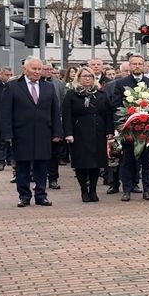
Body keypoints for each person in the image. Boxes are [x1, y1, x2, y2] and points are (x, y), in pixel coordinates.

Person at [0, 57, 63, 207]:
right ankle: (24, 196)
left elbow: (55, 111)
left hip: (43, 133)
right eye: (34, 69)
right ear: (25, 70)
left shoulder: (48, 87)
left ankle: (41, 195)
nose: (37, 72)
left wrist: (57, 132)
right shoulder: (13, 86)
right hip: (21, 133)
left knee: (42, 165)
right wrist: (7, 134)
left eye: (39, 69)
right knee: (22, 166)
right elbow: (5, 112)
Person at [108, 55, 149, 201]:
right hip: (129, 128)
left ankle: (147, 190)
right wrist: (124, 122)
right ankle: (126, 190)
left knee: (147, 161)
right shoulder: (121, 83)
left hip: (147, 129)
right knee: (127, 160)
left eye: (140, 63)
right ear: (129, 66)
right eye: (134, 64)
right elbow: (116, 105)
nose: (137, 66)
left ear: (144, 65)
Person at [63, 67, 114, 202]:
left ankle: (93, 189)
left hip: (98, 132)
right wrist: (68, 133)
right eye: (84, 76)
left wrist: (109, 132)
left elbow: (108, 114)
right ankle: (84, 190)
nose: (87, 79)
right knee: (81, 162)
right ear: (78, 78)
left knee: (96, 162)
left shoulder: (101, 94)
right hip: (79, 132)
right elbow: (66, 115)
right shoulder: (71, 94)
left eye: (90, 76)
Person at [43, 65, 68, 190]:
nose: (48, 71)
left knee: (54, 154)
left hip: (54, 123)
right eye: (45, 69)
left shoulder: (58, 84)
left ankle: (53, 178)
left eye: (50, 69)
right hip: (38, 124)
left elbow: (63, 103)